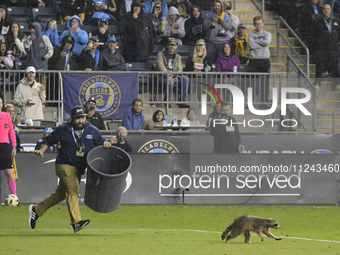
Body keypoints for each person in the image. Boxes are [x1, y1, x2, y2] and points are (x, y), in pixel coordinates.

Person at [30, 106, 112, 233]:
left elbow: (101, 142)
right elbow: (49, 139)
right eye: (78, 118)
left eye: (83, 117)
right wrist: (41, 150)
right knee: (73, 189)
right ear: (72, 119)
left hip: (79, 167)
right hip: (64, 164)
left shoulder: (93, 130)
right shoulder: (64, 129)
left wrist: (106, 143)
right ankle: (77, 222)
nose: (81, 121)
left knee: (61, 194)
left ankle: (36, 210)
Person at [312, 3, 340, 91]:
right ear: (322, 10)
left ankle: (336, 85)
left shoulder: (336, 21)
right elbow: (314, 34)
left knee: (335, 66)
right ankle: (317, 84)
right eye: (324, 9)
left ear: (331, 10)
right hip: (321, 48)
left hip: (334, 48)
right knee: (320, 66)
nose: (326, 11)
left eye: (328, 9)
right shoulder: (318, 21)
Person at [156, 37, 190, 107]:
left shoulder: (178, 57)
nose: (172, 47)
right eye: (170, 45)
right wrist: (169, 75)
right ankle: (167, 100)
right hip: (163, 77)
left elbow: (179, 69)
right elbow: (161, 67)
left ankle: (183, 99)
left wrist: (177, 77)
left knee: (185, 79)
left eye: (174, 45)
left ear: (176, 47)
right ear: (167, 46)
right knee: (170, 81)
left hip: (174, 76)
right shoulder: (160, 55)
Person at [248, 16, 272, 107]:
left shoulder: (267, 34)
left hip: (264, 60)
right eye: (257, 24)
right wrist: (262, 44)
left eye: (260, 24)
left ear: (263, 24)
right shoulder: (251, 34)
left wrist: (257, 42)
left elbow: (267, 43)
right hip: (254, 60)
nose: (258, 26)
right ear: (254, 24)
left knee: (264, 83)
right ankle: (251, 102)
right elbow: (251, 45)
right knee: (251, 83)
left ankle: (264, 102)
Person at [0, 98, 17, 198]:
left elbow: (11, 132)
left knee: (9, 172)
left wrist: (14, 146)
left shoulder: (6, 116)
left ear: (2, 105)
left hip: (5, 146)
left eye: (0, 103)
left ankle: (14, 196)